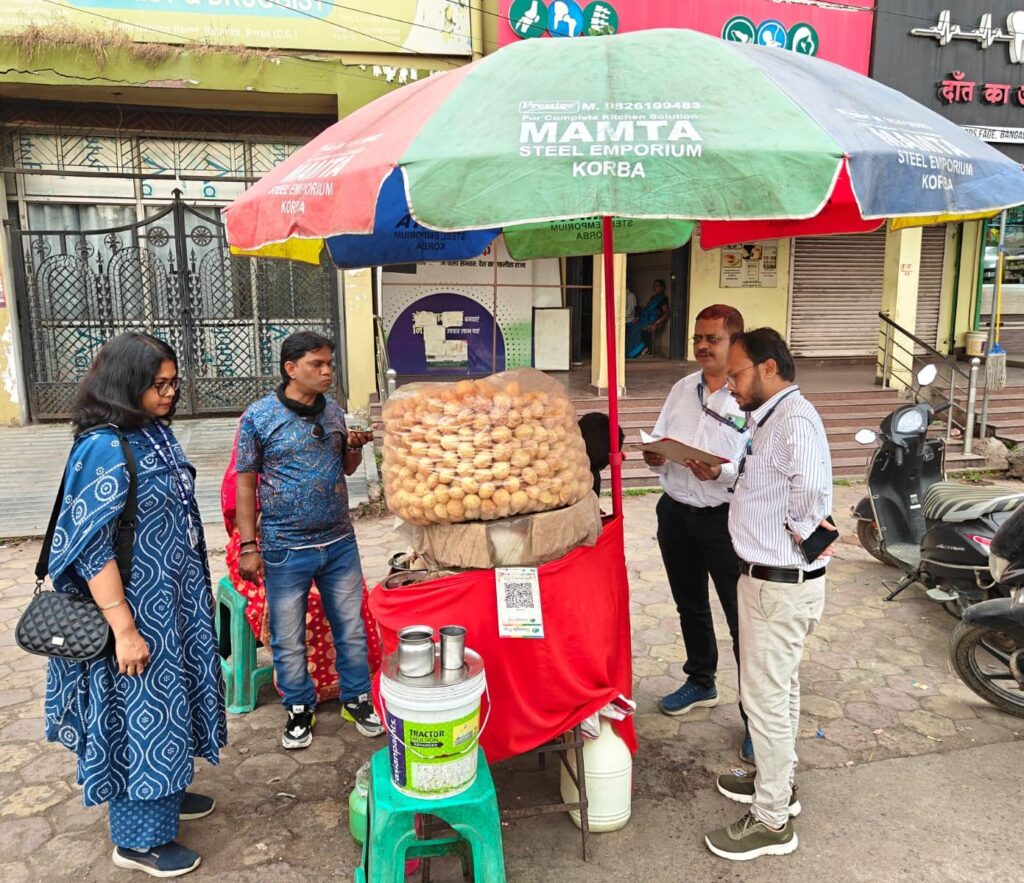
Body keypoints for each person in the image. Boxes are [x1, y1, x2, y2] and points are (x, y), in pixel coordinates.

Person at [43, 332, 226, 878]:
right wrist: (123, 628)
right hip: (133, 611)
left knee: (172, 705)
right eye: (157, 385)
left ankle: (163, 791)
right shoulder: (103, 446)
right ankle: (138, 837)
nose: (168, 393)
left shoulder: (154, 435)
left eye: (173, 383)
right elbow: (90, 546)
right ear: (126, 386)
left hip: (173, 604)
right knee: (140, 715)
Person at [705, 328, 834, 862]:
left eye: (736, 374)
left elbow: (812, 494)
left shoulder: (794, 420)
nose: (730, 384)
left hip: (778, 584)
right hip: (771, 582)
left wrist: (800, 542)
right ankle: (778, 784)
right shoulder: (772, 418)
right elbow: (770, 481)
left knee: (765, 701)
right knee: (780, 692)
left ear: (769, 369)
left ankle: (771, 819)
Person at [235, 331, 384, 749]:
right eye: (317, 365)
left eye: (329, 364)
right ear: (290, 369)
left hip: (339, 542)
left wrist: (354, 449)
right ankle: (299, 706)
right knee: (288, 634)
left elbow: (348, 470)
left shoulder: (334, 412)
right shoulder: (259, 417)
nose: (326, 372)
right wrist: (250, 546)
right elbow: (245, 484)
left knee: (351, 626)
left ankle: (356, 698)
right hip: (284, 547)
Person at [642, 305, 752, 760]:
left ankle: (756, 717)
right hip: (677, 513)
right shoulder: (682, 388)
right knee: (690, 604)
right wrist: (655, 454)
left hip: (725, 518)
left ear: (735, 343)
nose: (703, 346)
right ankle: (701, 681)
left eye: (713, 338)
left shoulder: (748, 396)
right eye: (698, 338)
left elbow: (757, 463)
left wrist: (721, 475)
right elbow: (662, 435)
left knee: (742, 619)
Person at [626, 279, 670, 358]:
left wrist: (656, 323)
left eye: (658, 286)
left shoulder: (663, 299)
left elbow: (666, 313)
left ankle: (643, 349)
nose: (655, 288)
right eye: (655, 286)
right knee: (630, 325)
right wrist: (637, 318)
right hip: (644, 319)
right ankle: (635, 351)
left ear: (663, 287)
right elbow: (646, 310)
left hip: (652, 320)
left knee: (636, 328)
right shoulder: (653, 298)